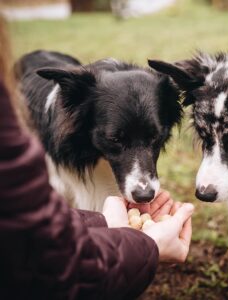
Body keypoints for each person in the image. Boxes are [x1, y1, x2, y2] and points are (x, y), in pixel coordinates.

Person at [0, 16, 194, 300]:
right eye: (116, 140)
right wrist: (146, 246)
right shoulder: (49, 144)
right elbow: (51, 261)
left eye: (153, 138)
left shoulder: (155, 97)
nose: (145, 184)